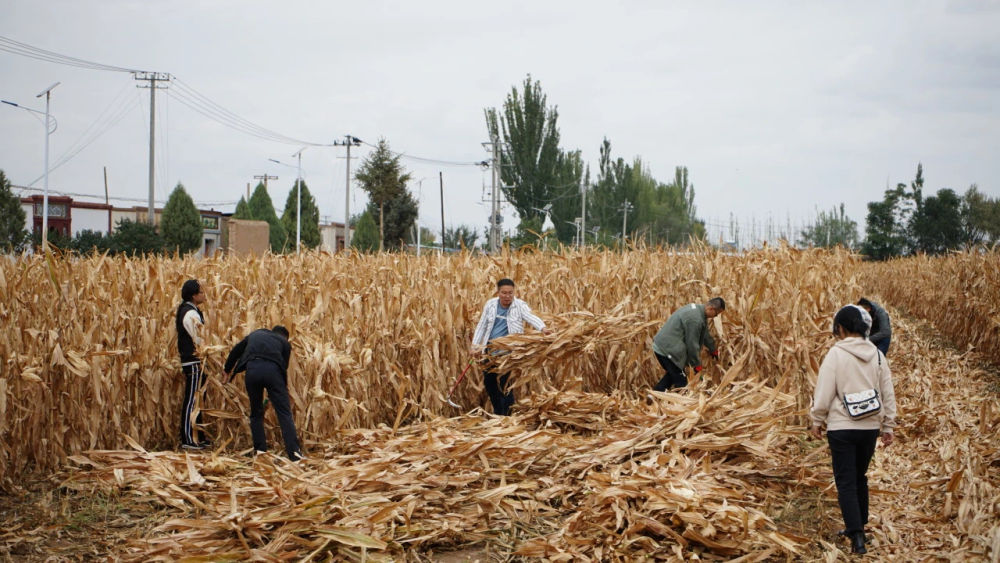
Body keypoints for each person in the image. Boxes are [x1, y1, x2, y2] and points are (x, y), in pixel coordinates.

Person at [810, 305, 897, 555]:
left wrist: (817, 420)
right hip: (869, 427)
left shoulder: (835, 355)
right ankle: (860, 524)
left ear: (840, 328)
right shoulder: (878, 355)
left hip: (842, 427)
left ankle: (856, 535)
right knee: (860, 477)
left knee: (846, 481)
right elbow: (887, 392)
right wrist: (888, 425)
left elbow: (824, 393)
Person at [223, 326, 304, 461]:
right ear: (285, 337)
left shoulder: (256, 333)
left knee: (256, 413)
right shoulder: (284, 343)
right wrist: (280, 391)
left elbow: (236, 350)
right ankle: (295, 455)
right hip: (273, 373)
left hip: (252, 371)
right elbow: (283, 367)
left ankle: (261, 453)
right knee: (284, 414)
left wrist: (227, 369)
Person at [470, 278, 551, 415]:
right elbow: (482, 326)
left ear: (514, 293)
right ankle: (498, 412)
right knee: (490, 384)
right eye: (504, 293)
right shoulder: (490, 305)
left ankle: (506, 416)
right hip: (489, 352)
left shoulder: (519, 305)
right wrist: (475, 346)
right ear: (498, 292)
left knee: (505, 385)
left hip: (508, 354)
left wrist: (543, 328)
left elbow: (530, 317)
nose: (507, 296)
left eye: (510, 293)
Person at [650, 298, 725, 392]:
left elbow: (705, 333)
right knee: (682, 384)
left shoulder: (698, 311)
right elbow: (692, 344)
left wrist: (712, 348)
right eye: (716, 313)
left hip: (663, 345)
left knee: (673, 374)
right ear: (711, 308)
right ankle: (677, 404)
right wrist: (696, 365)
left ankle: (653, 396)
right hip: (667, 350)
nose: (715, 317)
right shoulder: (696, 319)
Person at [175, 279, 210, 450]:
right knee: (192, 400)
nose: (204, 295)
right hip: (194, 361)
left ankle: (198, 437)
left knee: (198, 401)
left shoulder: (191, 310)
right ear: (194, 295)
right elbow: (198, 339)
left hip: (195, 361)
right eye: (201, 292)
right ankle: (189, 439)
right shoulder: (190, 314)